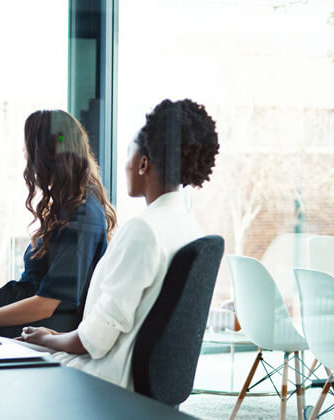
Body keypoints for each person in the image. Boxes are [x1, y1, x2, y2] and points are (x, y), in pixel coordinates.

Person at [20, 99, 220, 389]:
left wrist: (47, 339)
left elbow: (95, 342)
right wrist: (52, 338)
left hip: (103, 379)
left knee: (1, 359)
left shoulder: (144, 230)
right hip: (132, 379)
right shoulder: (189, 227)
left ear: (142, 163)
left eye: (129, 152)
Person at [0, 110, 115, 337]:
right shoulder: (68, 207)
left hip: (41, 333)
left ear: (45, 157)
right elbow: (33, 293)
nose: (25, 156)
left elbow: (45, 304)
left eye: (29, 151)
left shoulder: (82, 216)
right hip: (31, 326)